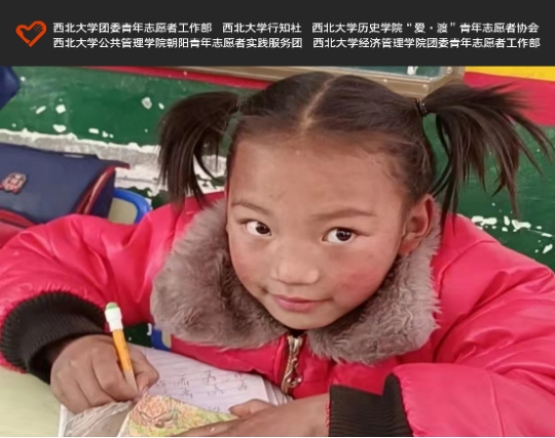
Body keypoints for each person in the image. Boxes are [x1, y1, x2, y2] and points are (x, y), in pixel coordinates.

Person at [1, 72, 555, 437]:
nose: (291, 272)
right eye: (259, 226)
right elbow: (48, 258)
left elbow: (538, 399)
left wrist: (352, 421)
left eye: (341, 234)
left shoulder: (484, 288)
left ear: (413, 225)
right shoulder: (194, 244)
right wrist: (63, 339)